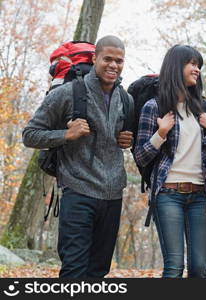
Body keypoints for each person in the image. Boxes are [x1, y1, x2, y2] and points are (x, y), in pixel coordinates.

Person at [22, 35, 133, 278]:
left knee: (98, 271)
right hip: (78, 191)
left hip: (113, 195)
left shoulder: (126, 99)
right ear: (95, 59)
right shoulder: (68, 93)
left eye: (119, 61)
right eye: (108, 59)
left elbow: (118, 139)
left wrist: (127, 140)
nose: (113, 65)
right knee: (74, 270)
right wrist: (66, 134)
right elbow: (29, 135)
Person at [134, 45, 206, 278]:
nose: (197, 69)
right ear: (175, 67)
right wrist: (160, 134)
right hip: (168, 195)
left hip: (201, 196)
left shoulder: (203, 108)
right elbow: (140, 156)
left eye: (198, 65)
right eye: (191, 63)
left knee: (199, 268)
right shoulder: (154, 107)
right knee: (174, 267)